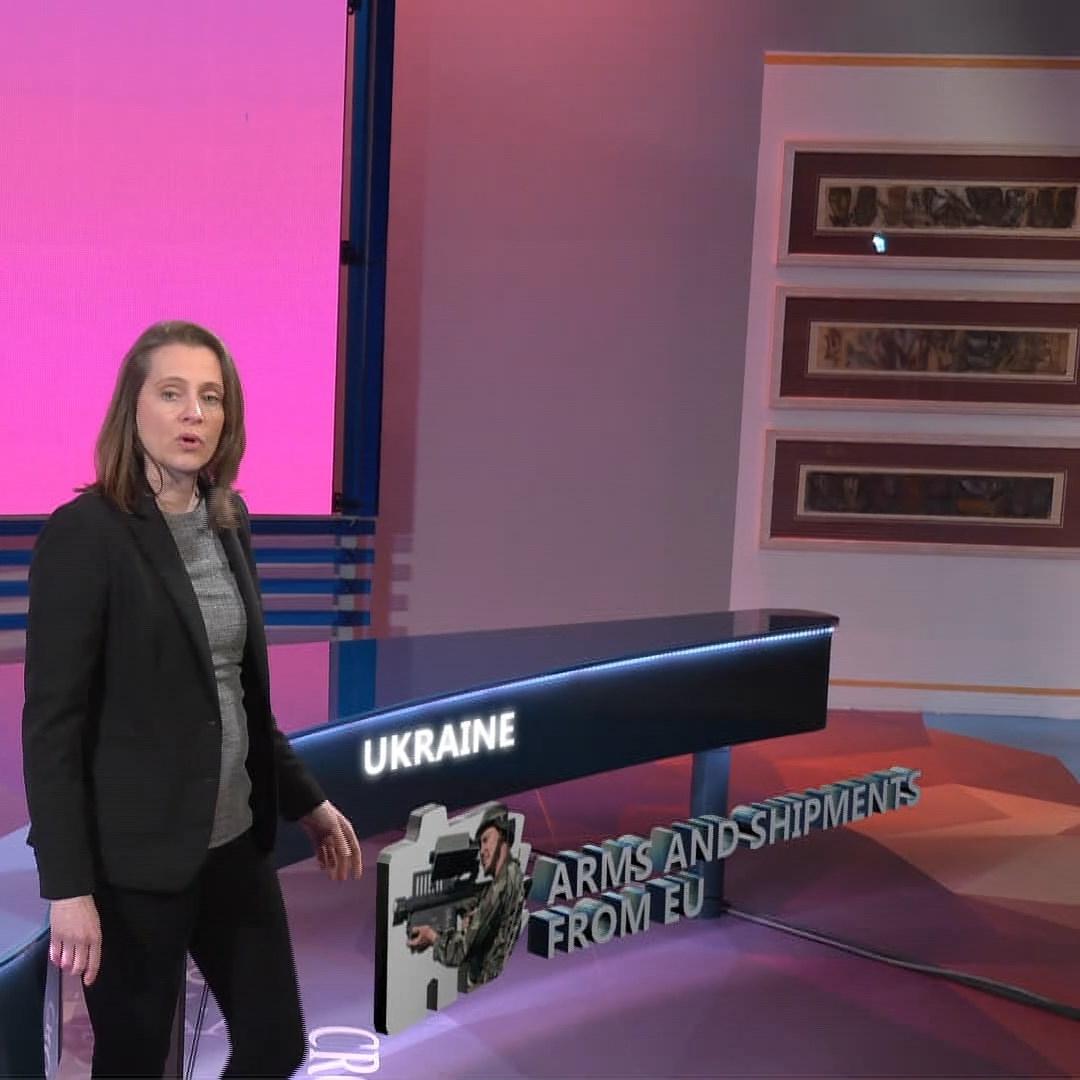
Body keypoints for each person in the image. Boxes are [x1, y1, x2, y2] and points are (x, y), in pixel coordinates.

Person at [21, 320, 363, 1079]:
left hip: (232, 843)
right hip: (131, 864)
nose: (193, 414)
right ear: (133, 407)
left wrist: (307, 800)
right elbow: (52, 728)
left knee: (276, 1044)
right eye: (172, 393)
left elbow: (238, 695)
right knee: (135, 1063)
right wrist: (69, 888)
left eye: (211, 397)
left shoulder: (226, 521)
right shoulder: (85, 535)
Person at [407, 804, 525, 989]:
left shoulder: (500, 885)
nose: (482, 851)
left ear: (503, 836)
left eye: (486, 840)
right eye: (480, 844)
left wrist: (431, 937)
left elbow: (461, 952)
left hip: (485, 987)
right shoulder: (514, 871)